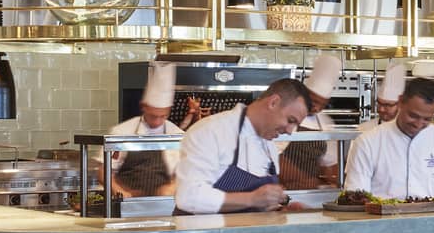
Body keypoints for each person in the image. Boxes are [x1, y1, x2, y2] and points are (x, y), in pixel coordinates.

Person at [174, 78, 310, 214]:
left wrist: (280, 209)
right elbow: (188, 197)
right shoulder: (210, 130)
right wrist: (251, 199)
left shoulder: (270, 147)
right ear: (273, 102)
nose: (290, 131)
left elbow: (257, 208)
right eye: (290, 120)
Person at [343, 77, 434, 199]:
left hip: (432, 219)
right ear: (401, 102)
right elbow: (355, 197)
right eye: (413, 116)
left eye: (427, 119)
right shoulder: (367, 142)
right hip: (381, 219)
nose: (418, 124)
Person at [108, 61, 184, 197]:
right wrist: (119, 191)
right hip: (128, 204)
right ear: (143, 106)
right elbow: (104, 170)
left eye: (163, 116)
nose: (157, 121)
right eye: (153, 116)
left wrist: (173, 187)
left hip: (164, 205)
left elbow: (187, 172)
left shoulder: (177, 135)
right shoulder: (122, 132)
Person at [279, 54, 343, 189]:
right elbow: (275, 158)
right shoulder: (285, 114)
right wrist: (303, 179)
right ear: (305, 93)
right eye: (314, 101)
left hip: (311, 191)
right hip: (283, 189)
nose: (317, 108)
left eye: (322, 105)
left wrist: (336, 179)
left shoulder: (325, 122)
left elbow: (330, 164)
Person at [357, 63, 405, 132]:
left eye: (387, 105)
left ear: (400, 104)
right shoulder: (364, 129)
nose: (381, 109)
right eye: (379, 103)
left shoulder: (409, 131)